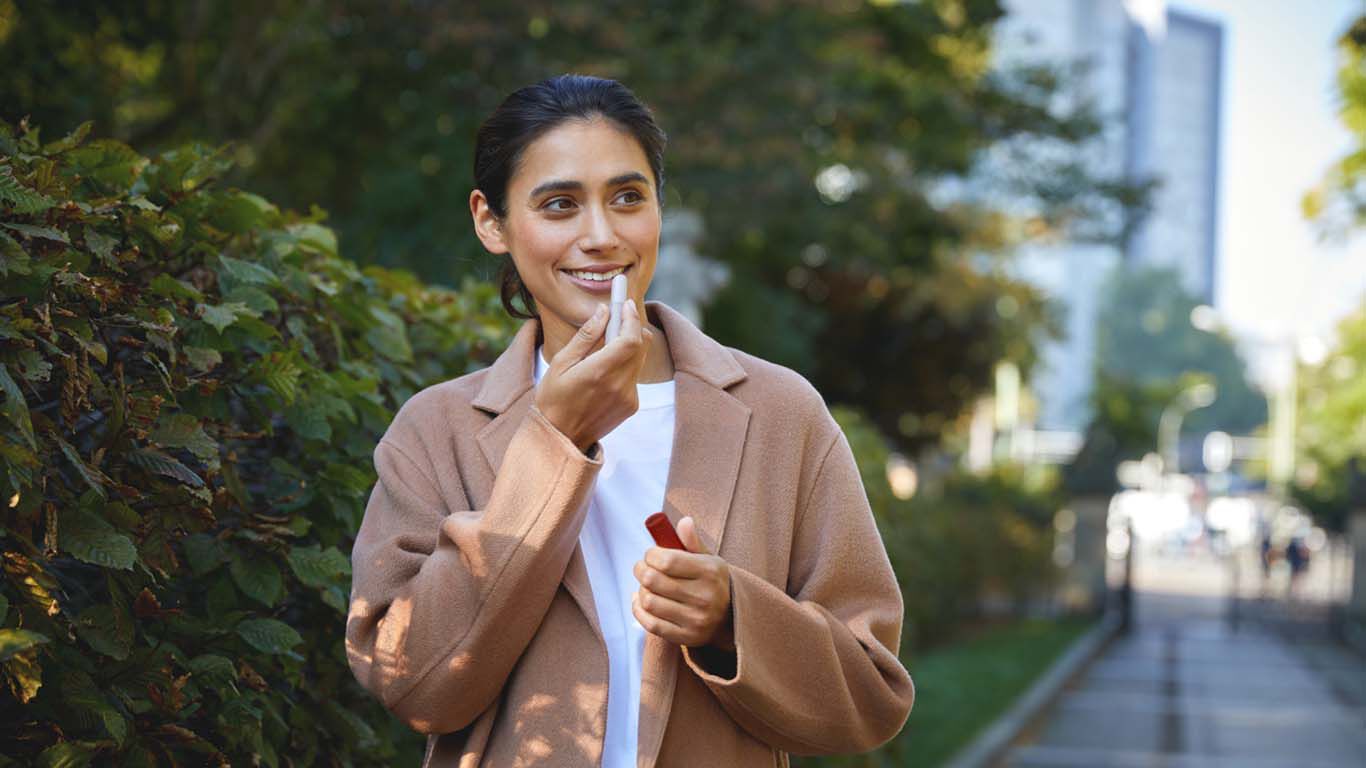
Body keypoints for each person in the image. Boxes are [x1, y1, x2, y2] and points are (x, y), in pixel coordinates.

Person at [346, 74, 914, 768]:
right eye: (559, 204)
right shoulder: (434, 431)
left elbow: (872, 696)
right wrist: (550, 442)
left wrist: (735, 620)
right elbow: (415, 684)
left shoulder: (780, 412)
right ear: (490, 222)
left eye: (627, 198)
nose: (601, 235)